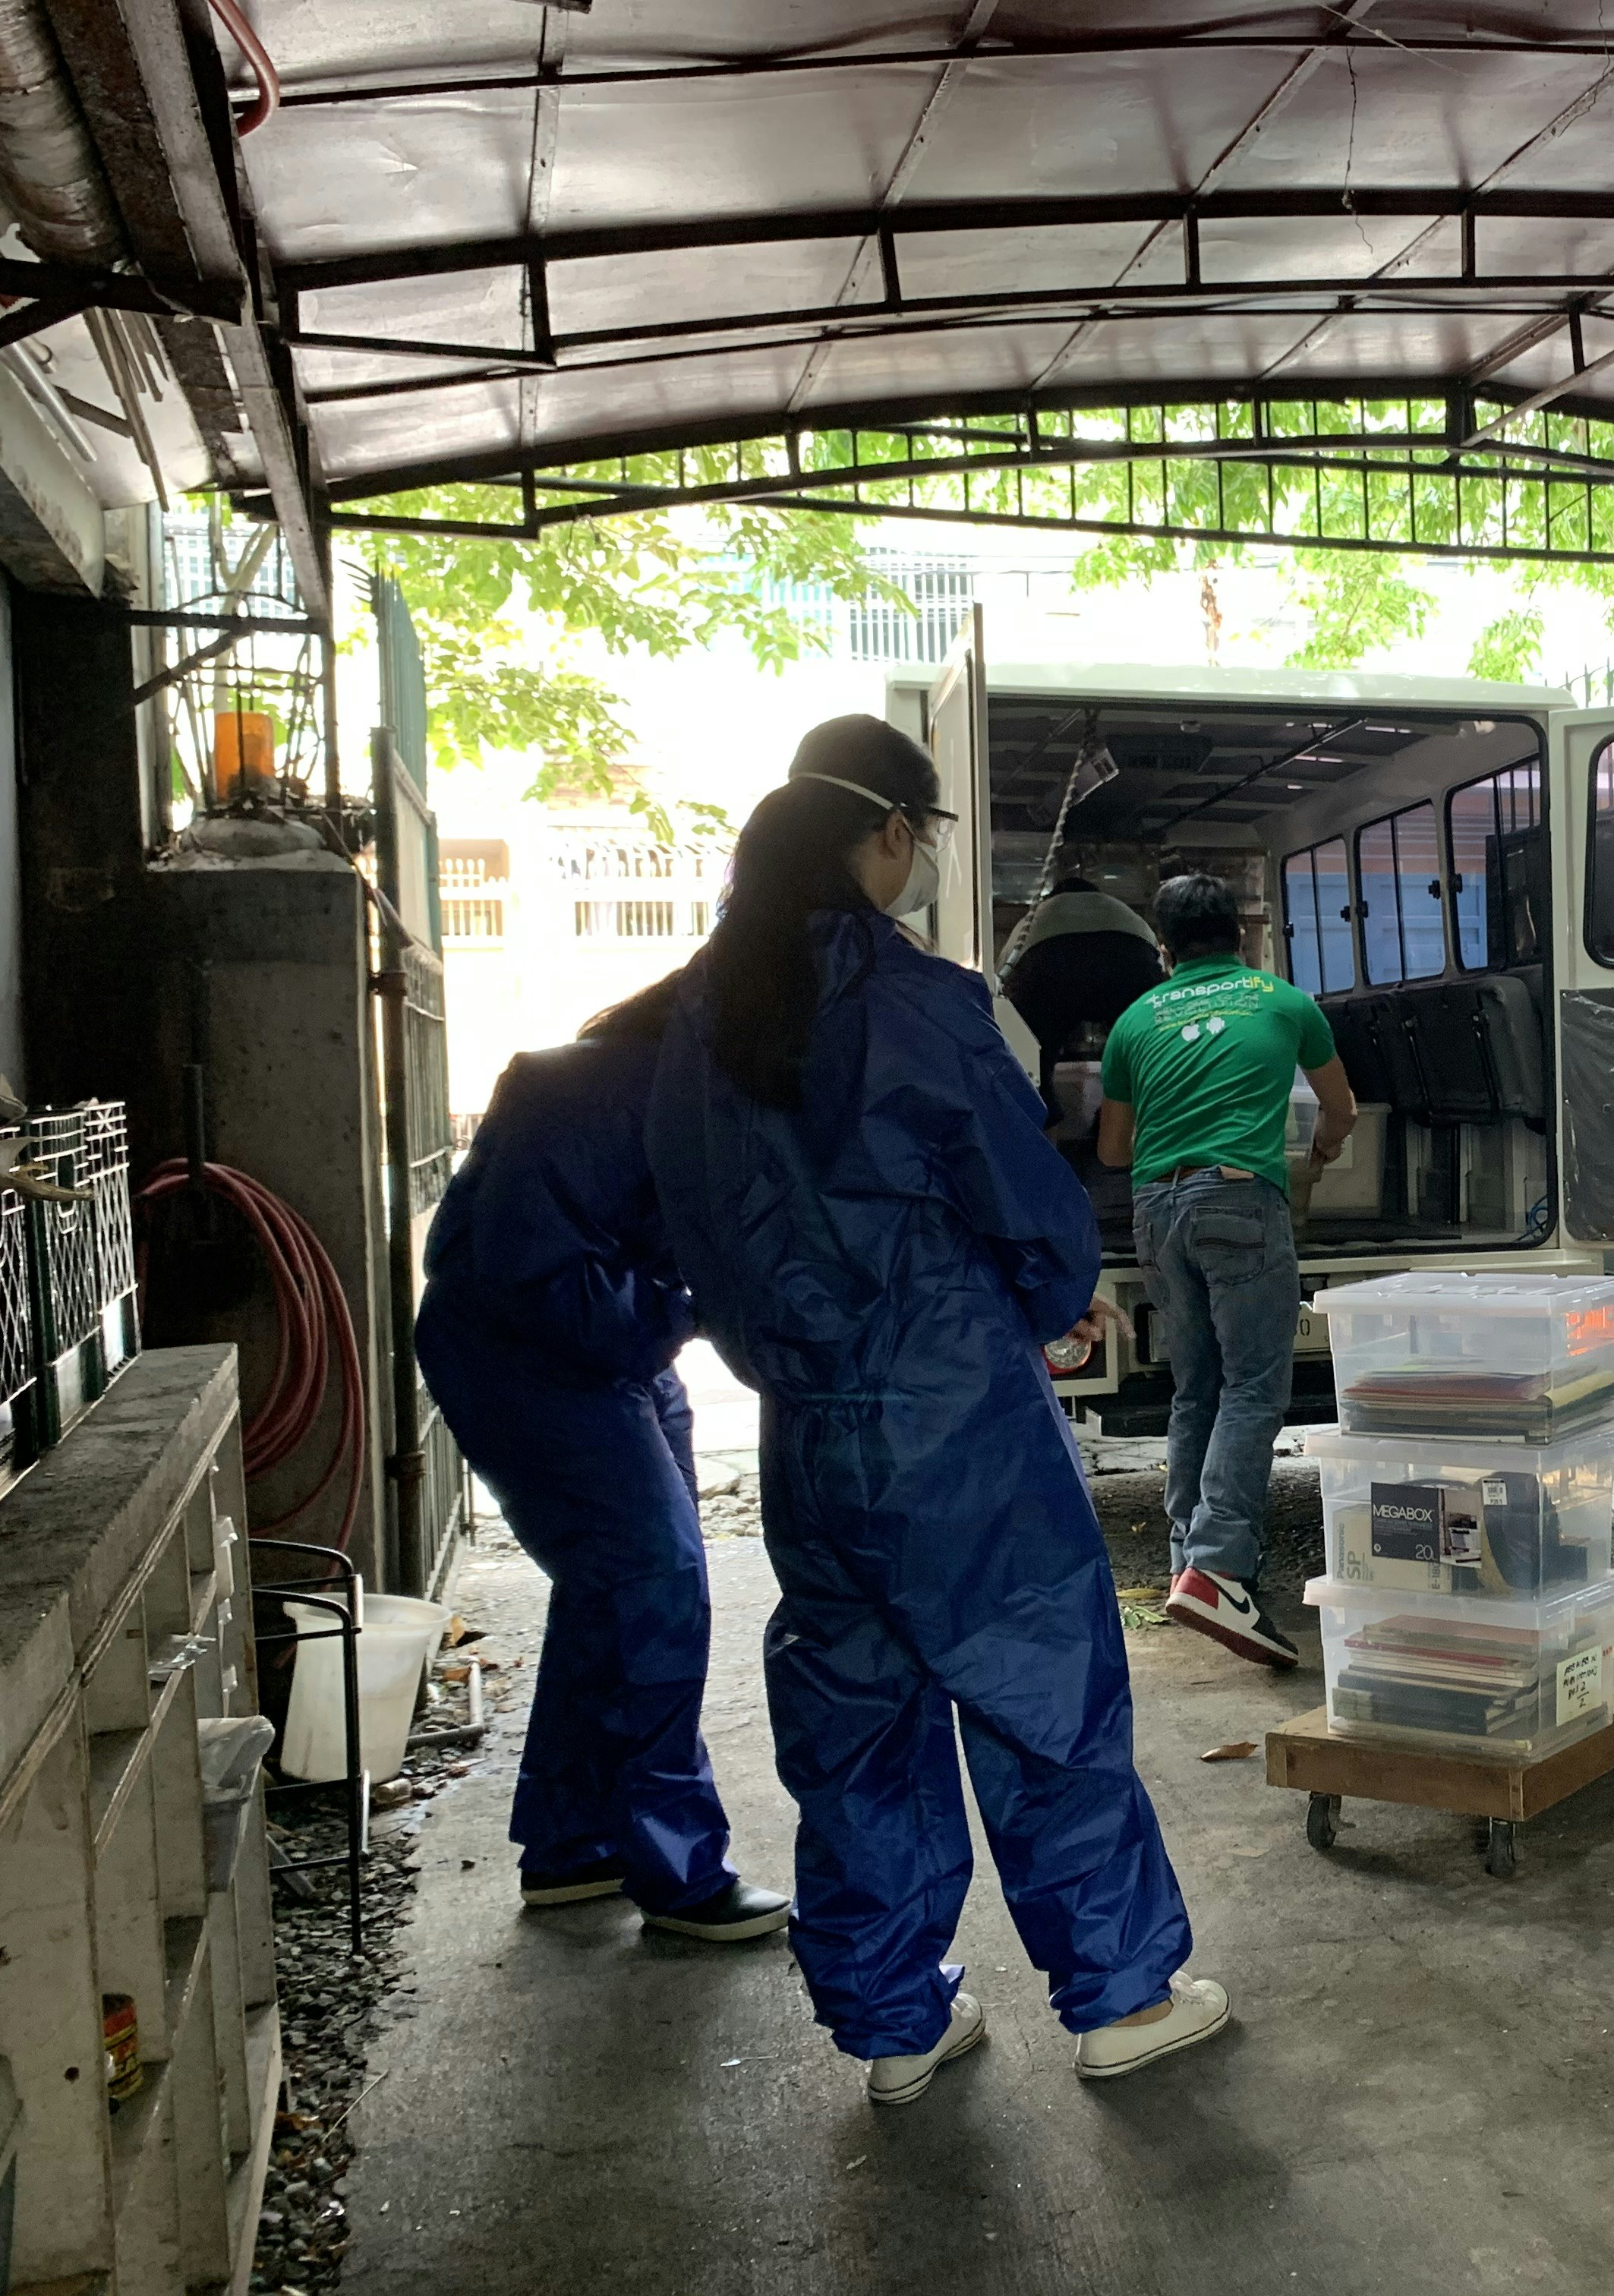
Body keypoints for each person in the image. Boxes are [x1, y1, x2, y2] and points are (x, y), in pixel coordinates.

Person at [645, 714, 1222, 2108]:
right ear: (891, 833)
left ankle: (897, 2023)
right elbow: (1025, 1201)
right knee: (1041, 1693)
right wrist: (1048, 1294)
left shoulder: (698, 1013)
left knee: (855, 1722)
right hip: (953, 1409)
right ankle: (1120, 1995)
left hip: (804, 1425)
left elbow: (689, 1226)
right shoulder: (916, 1002)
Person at [415, 980, 790, 1943]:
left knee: (612, 1589)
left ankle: (573, 1844)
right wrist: (690, 1309)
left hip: (613, 1346)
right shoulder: (581, 1089)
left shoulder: (708, 1087)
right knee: (651, 1581)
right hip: (529, 1356)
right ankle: (672, 1868)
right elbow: (534, 1276)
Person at [1096, 874, 1355, 1668]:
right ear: (1242, 938)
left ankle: (1189, 1559)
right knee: (1252, 1388)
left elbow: (1113, 1149)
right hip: (1241, 1201)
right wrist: (1315, 1154)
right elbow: (1340, 1109)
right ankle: (1219, 1568)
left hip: (1157, 1210)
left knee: (1196, 1390)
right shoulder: (1284, 1002)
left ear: (1164, 950)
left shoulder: (1135, 1019)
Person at [1001, 875, 1165, 1091]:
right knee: (1143, 1054)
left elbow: (1002, 979)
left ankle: (1043, 1115)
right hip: (1130, 963)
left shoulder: (1035, 919)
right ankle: (1120, 1115)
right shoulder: (1125, 914)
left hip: (1047, 966)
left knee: (1031, 1060)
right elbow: (1158, 970)